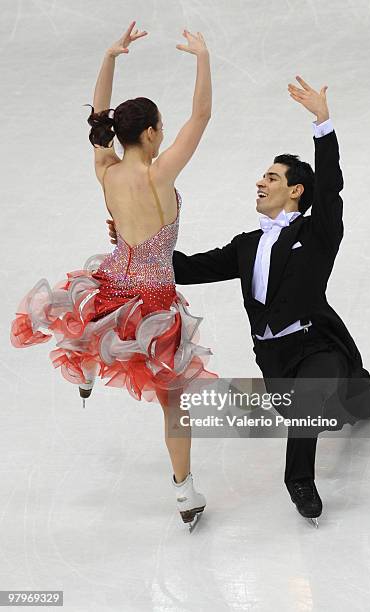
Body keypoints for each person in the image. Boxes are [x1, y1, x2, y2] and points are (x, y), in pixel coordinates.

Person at [108, 75, 370, 526]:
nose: (260, 182)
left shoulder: (316, 234)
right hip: (273, 357)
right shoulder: (245, 246)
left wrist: (322, 122)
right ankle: (357, 401)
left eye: (272, 177)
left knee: (311, 398)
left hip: (316, 344)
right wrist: (133, 242)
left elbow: (332, 188)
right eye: (263, 174)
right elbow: (184, 267)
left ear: (296, 191)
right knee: (325, 405)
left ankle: (300, 480)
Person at [10, 21, 215, 530]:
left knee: (93, 324)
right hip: (155, 301)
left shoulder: (106, 168)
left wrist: (109, 57)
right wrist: (203, 57)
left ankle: (82, 366)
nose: (165, 133)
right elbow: (203, 115)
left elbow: (97, 123)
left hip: (113, 287)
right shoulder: (156, 174)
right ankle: (185, 493)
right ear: (150, 133)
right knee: (173, 398)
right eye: (161, 127)